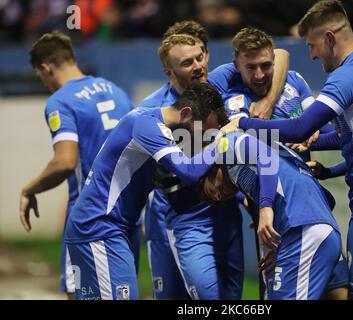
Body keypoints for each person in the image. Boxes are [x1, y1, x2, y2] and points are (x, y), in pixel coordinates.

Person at [221, 0, 353, 299]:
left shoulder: (347, 75)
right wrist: (315, 147)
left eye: (313, 45)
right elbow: (346, 136)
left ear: (329, 38)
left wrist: (245, 123)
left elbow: (301, 127)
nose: (312, 55)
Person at [141, 20, 290, 300]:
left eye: (200, 56)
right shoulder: (153, 110)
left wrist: (267, 102)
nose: (198, 65)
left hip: (225, 213)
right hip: (175, 218)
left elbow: (280, 55)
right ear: (168, 68)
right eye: (187, 61)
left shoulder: (215, 85)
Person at [64, 83, 226, 300]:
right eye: (204, 132)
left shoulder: (149, 125)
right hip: (100, 228)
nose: (203, 140)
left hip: (97, 226)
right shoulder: (148, 125)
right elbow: (189, 172)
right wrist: (224, 140)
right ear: (186, 113)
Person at [223, 26, 348, 299]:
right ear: (237, 66)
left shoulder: (294, 82)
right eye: (250, 68)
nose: (259, 75)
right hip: (276, 215)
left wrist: (308, 134)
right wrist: (297, 128)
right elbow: (248, 153)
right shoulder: (235, 101)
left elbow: (332, 136)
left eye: (266, 66)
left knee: (338, 293)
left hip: (311, 204)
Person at [19, 31, 134, 299]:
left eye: (40, 77)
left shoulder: (61, 101)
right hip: (126, 214)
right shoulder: (116, 91)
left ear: (46, 68)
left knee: (78, 293)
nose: (44, 83)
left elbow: (65, 161)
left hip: (89, 220)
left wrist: (29, 189)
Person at [202, 131, 342, 299]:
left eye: (212, 188)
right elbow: (328, 199)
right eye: (217, 198)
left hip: (303, 232)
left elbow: (265, 156)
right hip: (314, 233)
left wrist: (265, 207)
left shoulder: (230, 143)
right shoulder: (264, 168)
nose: (219, 195)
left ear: (214, 166)